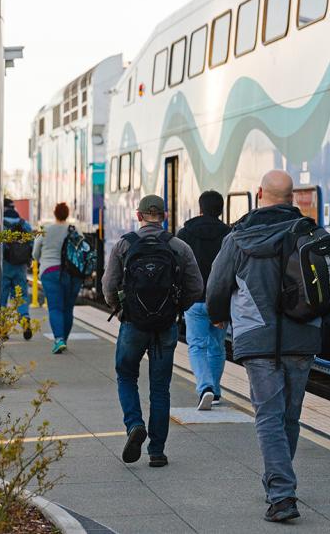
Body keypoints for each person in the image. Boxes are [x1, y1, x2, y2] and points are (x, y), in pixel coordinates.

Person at [206, 170, 320, 523]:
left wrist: (218, 315)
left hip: (256, 338)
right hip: (302, 338)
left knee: (269, 417)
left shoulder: (238, 238)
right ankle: (278, 481)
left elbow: (216, 288)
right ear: (292, 197)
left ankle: (282, 493)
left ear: (259, 194)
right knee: (289, 416)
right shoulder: (313, 234)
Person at [102, 195, 203, 468]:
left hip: (133, 324)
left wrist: (121, 309)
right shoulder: (179, 246)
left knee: (126, 376)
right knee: (160, 388)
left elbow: (109, 286)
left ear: (139, 215)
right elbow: (196, 287)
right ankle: (157, 451)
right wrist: (176, 308)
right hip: (165, 326)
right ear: (165, 215)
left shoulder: (124, 245)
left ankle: (134, 424)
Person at [177, 190, 231, 410]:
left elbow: (178, 267)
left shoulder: (185, 233)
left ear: (200, 208)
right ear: (220, 210)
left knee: (197, 346)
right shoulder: (229, 235)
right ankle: (215, 391)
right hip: (219, 301)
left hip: (194, 299)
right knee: (217, 346)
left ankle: (205, 387)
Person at [32, 202, 81, 354]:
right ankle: (63, 340)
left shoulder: (45, 230)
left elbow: (35, 253)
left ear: (55, 213)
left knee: (55, 307)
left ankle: (59, 339)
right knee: (68, 308)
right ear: (67, 214)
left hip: (50, 272)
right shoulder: (74, 230)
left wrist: (43, 259)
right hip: (72, 274)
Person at [1, 198, 34, 340]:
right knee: (21, 297)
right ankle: (24, 317)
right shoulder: (24, 224)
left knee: (2, 298)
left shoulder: (0, 224)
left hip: (4, 267)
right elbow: (31, 243)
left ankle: (2, 329)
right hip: (20, 267)